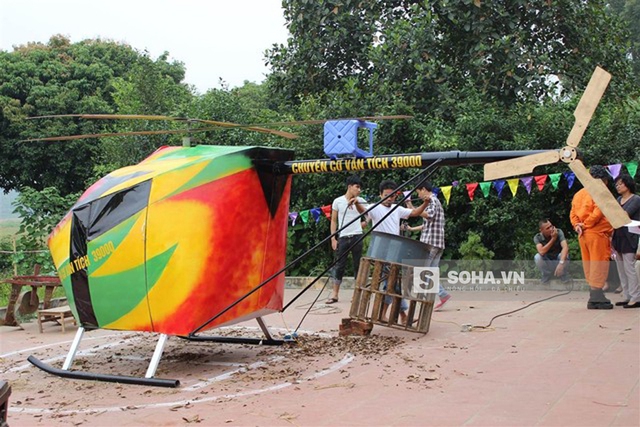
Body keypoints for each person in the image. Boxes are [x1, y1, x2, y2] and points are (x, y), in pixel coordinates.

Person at [353, 179, 429, 323]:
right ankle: (391, 314)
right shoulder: (375, 207)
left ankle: (400, 315)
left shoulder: (397, 209)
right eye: (386, 195)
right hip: (380, 252)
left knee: (392, 284)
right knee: (390, 283)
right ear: (380, 194)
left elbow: (415, 212)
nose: (389, 198)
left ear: (395, 196)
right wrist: (356, 202)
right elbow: (363, 210)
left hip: (395, 251)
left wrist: (426, 203)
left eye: (392, 196)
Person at [570, 165, 614, 309]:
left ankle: (595, 294)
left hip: (583, 235)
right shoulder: (600, 191)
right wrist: (586, 224)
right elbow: (598, 212)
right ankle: (596, 297)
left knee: (589, 263)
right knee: (598, 263)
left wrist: (577, 225)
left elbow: (573, 214)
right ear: (602, 180)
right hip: (596, 233)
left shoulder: (579, 194)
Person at [405, 182, 452, 310]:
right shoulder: (435, 201)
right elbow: (427, 223)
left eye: (419, 192)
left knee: (423, 270)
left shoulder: (431, 201)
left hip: (431, 243)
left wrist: (414, 207)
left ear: (424, 189)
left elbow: (427, 215)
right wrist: (412, 227)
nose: (419, 195)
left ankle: (423, 299)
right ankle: (442, 295)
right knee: (430, 271)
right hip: (437, 243)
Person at [327, 175, 368, 304]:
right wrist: (333, 238)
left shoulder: (361, 200)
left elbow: (368, 215)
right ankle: (335, 294)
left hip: (357, 235)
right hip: (343, 236)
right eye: (357, 187)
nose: (359, 190)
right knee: (340, 265)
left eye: (360, 187)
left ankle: (356, 295)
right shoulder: (338, 201)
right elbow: (333, 221)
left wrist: (365, 223)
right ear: (350, 187)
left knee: (357, 265)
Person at [611, 174, 640, 308]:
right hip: (618, 235)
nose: (618, 186)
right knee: (621, 269)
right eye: (616, 184)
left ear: (628, 184)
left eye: (620, 184)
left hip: (630, 236)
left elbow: (623, 215)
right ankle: (627, 295)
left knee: (630, 268)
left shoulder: (635, 199)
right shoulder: (618, 199)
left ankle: (636, 297)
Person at [533, 219, 570, 284]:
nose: (551, 229)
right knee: (537, 257)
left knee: (564, 254)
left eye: (551, 226)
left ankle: (563, 274)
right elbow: (541, 252)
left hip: (559, 260)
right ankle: (546, 275)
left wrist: (561, 263)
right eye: (548, 228)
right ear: (541, 230)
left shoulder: (559, 232)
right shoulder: (537, 237)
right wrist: (553, 239)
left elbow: (565, 247)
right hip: (548, 261)